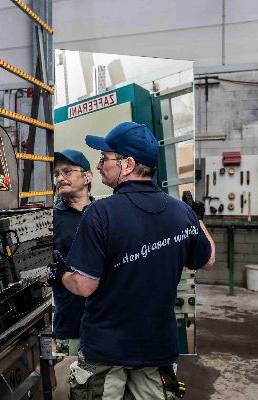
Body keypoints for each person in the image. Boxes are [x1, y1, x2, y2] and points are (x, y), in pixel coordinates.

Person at [49, 122, 216, 399]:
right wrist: (196, 219)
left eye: (104, 158)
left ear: (127, 164)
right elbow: (207, 260)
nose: (99, 165)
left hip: (106, 351)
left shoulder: (100, 213)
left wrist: (61, 275)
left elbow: (84, 286)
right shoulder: (181, 212)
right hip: (156, 348)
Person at [51, 149, 94, 357]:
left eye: (67, 171)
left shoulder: (103, 213)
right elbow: (41, 270)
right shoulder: (50, 219)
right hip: (70, 325)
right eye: (56, 174)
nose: (60, 178)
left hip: (107, 323)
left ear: (87, 177)